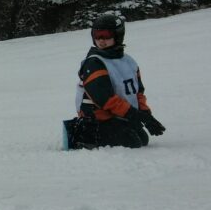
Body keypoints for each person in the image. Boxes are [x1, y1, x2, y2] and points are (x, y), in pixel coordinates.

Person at [67, 13, 165, 149]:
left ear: (118, 35)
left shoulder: (128, 61)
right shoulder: (94, 63)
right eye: (97, 35)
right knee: (133, 142)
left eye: (106, 35)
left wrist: (146, 114)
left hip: (119, 115)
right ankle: (83, 135)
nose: (101, 40)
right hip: (97, 119)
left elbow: (138, 92)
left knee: (142, 139)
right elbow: (105, 99)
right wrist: (135, 115)